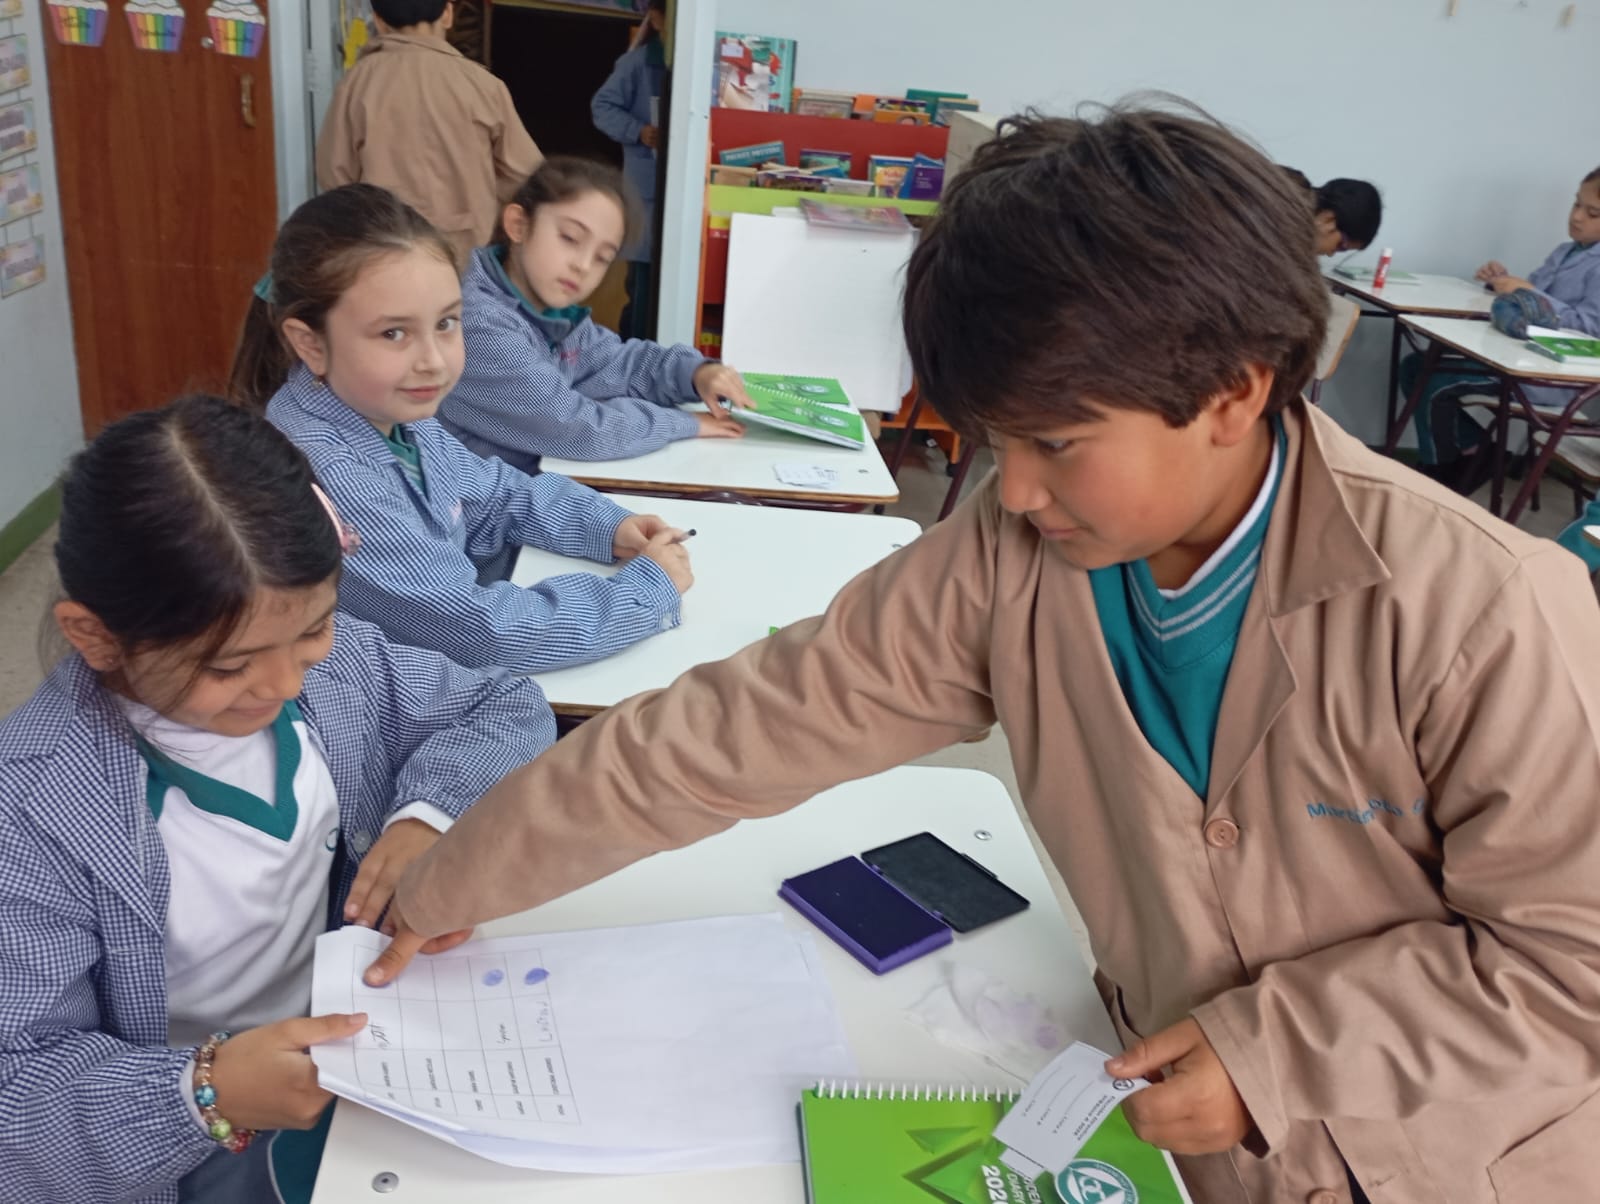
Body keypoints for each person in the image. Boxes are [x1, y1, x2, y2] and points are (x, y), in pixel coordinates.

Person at [374, 104, 1600, 1204]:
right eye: (993, 442)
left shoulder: (1484, 610)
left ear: (1233, 394)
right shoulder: (1015, 557)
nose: (1010, 492)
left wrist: (1272, 1052)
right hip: (1169, 1147)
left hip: (1461, 1160)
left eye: (1056, 443)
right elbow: (732, 730)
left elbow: (1573, 967)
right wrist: (460, 871)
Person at [0, 396, 555, 1203]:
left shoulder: (337, 666)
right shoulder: (32, 811)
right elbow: (17, 1089)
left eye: (314, 631)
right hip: (184, 1132)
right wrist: (202, 1091)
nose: (287, 683)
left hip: (363, 1056)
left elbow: (502, 704)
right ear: (96, 636)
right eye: (229, 667)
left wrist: (423, 818)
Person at [230, 183, 694, 675]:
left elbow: (494, 494)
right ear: (310, 344)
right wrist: (645, 590)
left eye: (447, 323)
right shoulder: (329, 472)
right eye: (394, 333)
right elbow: (482, 632)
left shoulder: (393, 415)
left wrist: (607, 526)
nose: (433, 361)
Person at [439, 157, 749, 470]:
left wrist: (695, 374)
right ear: (518, 225)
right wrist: (685, 423)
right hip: (476, 500)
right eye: (570, 238)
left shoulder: (555, 317)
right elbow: (578, 428)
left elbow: (622, 365)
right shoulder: (477, 325)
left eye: (602, 258)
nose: (584, 265)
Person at [1402, 167, 1600, 478]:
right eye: (1576, 204)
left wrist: (1529, 292)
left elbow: (1591, 327)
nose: (1576, 217)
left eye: (1592, 213)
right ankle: (1477, 453)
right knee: (1416, 366)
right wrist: (1503, 282)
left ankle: (1441, 472)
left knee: (1438, 381)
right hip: (1518, 357)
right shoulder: (1565, 252)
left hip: (1550, 377)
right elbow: (1529, 301)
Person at [315, 0, 542, 263]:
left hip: (383, 251)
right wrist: (483, 202)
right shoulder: (483, 86)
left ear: (378, 21)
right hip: (464, 255)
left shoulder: (356, 84)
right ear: (447, 14)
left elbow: (333, 175)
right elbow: (526, 174)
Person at [591, 0, 667, 339]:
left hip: (676, 192)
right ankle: (630, 350)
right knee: (642, 285)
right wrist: (639, 131)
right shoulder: (637, 62)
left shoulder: (691, 62)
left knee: (666, 283)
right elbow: (602, 107)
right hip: (646, 189)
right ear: (657, 20)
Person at [1283, 168, 1382, 256]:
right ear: (1328, 219)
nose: (1330, 254)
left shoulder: (1288, 187)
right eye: (1341, 246)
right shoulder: (1283, 232)